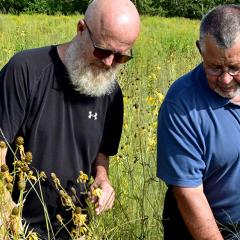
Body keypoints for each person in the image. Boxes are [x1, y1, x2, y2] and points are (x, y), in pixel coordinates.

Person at [0, 0, 140, 238]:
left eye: (120, 57)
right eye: (103, 51)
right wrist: (6, 215)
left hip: (73, 229)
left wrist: (103, 180)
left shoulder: (111, 94)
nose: (109, 63)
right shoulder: (25, 70)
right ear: (81, 29)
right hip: (15, 227)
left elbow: (101, 155)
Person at [157, 4, 240, 240]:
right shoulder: (181, 105)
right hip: (204, 227)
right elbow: (189, 194)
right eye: (214, 67)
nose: (225, 79)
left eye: (235, 68)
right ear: (200, 50)